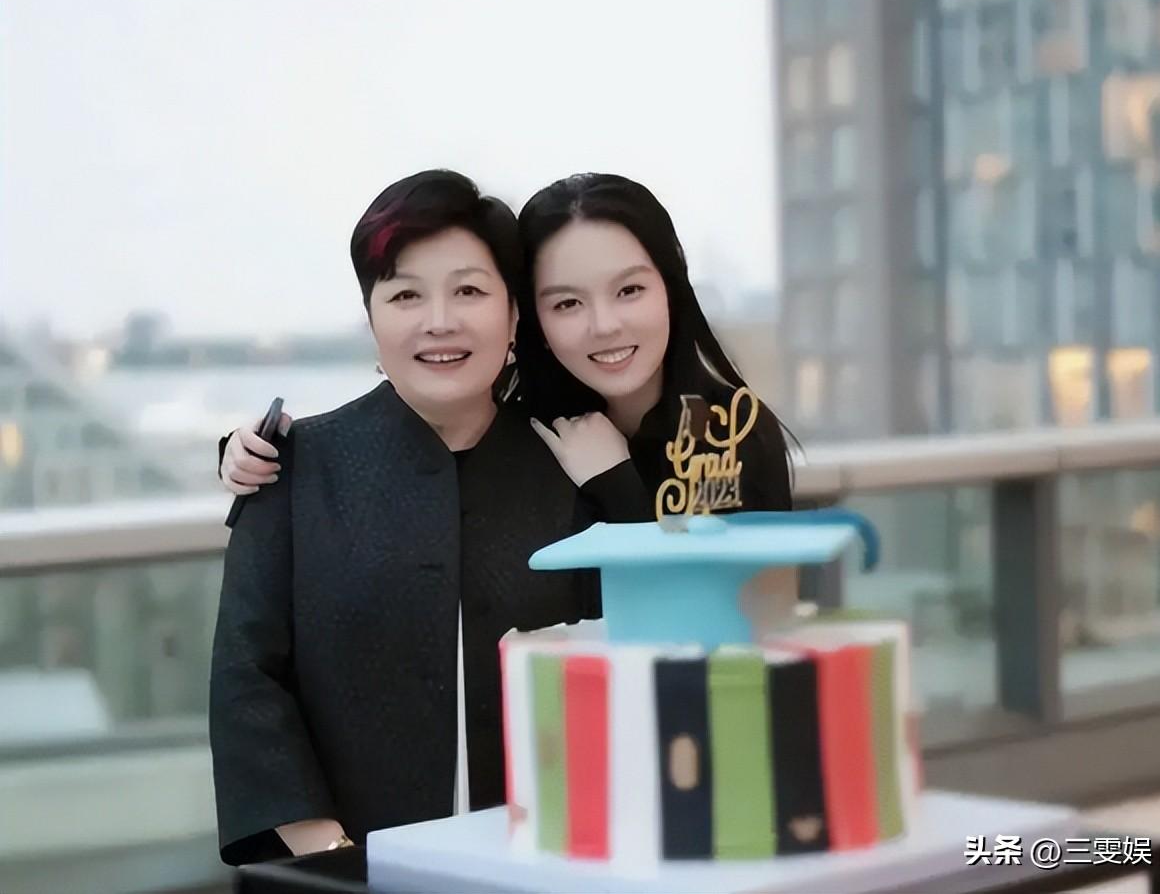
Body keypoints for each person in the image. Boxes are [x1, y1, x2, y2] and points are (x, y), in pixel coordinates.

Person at [209, 170, 600, 866]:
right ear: (372, 319)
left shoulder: (572, 464)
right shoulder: (295, 467)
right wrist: (331, 853)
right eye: (405, 295)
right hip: (339, 868)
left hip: (552, 863)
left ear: (514, 315)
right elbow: (247, 678)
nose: (439, 321)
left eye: (469, 291)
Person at [219, 174, 796, 521]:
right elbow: (407, 441)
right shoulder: (528, 433)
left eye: (629, 291)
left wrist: (615, 483)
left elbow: (729, 612)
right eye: (566, 303)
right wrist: (246, 451)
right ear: (529, 318)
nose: (604, 326)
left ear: (671, 288)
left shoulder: (732, 432)